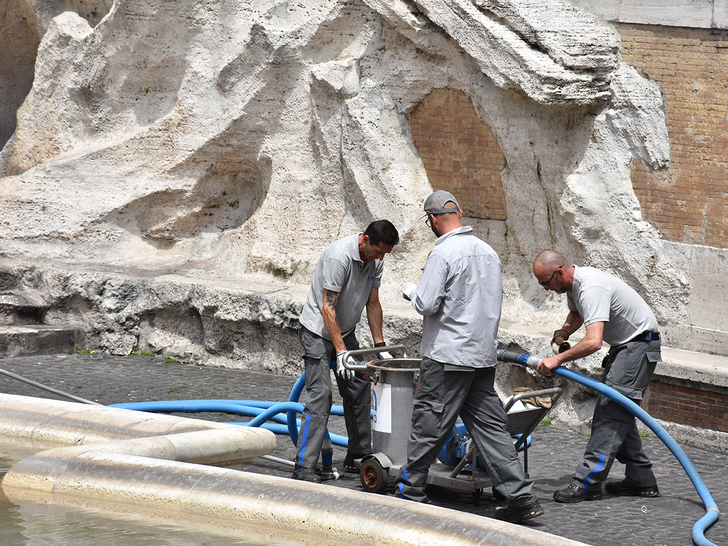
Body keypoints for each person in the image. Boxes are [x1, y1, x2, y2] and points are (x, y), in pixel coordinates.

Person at [394, 190, 543, 524]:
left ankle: (410, 490)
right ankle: (521, 498)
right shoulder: (489, 252)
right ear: (459, 211)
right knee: (492, 431)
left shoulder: (443, 252)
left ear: (432, 219)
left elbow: (427, 304)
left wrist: (410, 291)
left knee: (429, 424)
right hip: (482, 356)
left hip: (447, 356)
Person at [533, 249, 662, 503]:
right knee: (619, 412)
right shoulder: (573, 286)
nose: (546, 289)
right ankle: (641, 479)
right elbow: (579, 314)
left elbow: (593, 342)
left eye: (545, 283)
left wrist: (557, 359)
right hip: (627, 347)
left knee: (610, 415)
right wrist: (563, 332)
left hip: (637, 348)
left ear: (559, 272)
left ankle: (587, 484)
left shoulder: (591, 286)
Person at [293, 220, 400, 483]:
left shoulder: (376, 260)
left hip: (345, 330)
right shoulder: (338, 257)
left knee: (359, 387)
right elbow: (327, 309)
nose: (380, 257)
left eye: (385, 253)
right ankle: (304, 467)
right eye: (378, 251)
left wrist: (379, 347)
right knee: (321, 396)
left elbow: (373, 304)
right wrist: (341, 352)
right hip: (318, 331)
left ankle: (358, 455)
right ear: (365, 239)